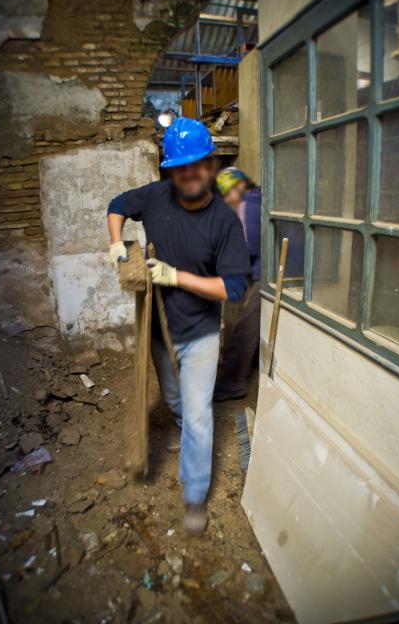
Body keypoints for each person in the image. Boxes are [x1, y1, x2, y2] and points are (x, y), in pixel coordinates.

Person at [106, 118, 251, 534]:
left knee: (200, 415)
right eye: (180, 166)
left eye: (197, 164)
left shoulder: (224, 221)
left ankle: (194, 495)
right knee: (177, 402)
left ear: (210, 164)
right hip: (159, 330)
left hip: (202, 334)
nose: (189, 173)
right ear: (169, 169)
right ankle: (188, 438)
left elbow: (236, 286)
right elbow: (117, 204)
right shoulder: (153, 198)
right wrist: (117, 244)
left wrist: (176, 277)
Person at [214, 167, 262, 402]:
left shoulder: (248, 204)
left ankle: (233, 384)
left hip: (268, 274)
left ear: (239, 186)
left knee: (245, 327)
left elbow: (249, 247)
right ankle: (232, 371)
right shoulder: (260, 197)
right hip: (264, 269)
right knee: (240, 319)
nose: (226, 200)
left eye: (227, 194)